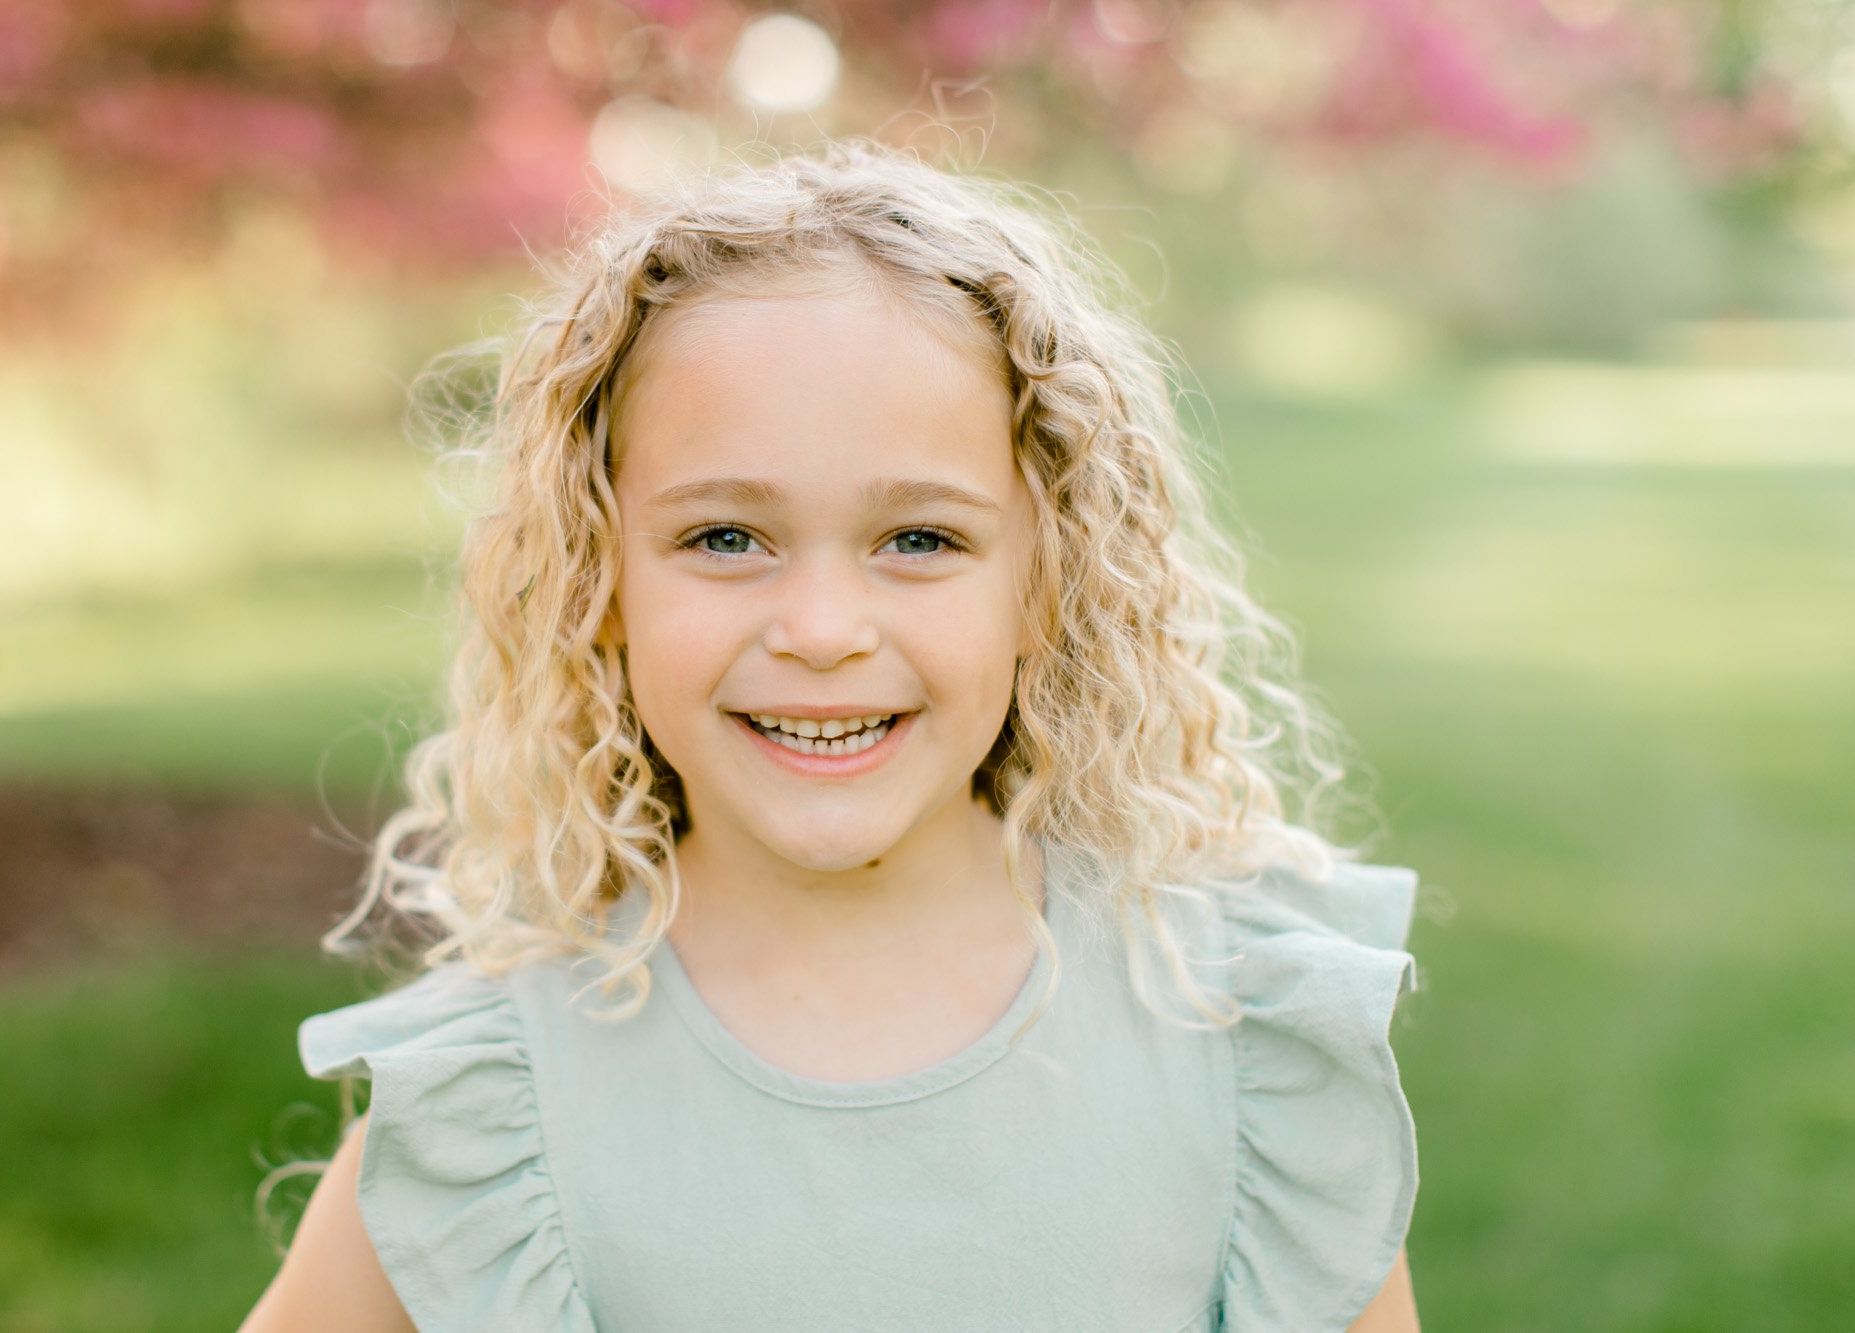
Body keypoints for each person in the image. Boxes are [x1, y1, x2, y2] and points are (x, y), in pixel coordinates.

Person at [240, 137, 1425, 1333]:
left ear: (1047, 583)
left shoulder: (1239, 1036)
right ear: (596, 580)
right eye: (723, 538)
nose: (819, 629)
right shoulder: (491, 1103)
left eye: (917, 539)